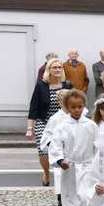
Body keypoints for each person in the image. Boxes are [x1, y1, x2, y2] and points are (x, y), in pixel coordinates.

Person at [48, 89, 100, 206]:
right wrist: (60, 160)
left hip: (87, 166)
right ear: (67, 107)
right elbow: (56, 145)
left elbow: (98, 145)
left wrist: (98, 163)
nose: (77, 110)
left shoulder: (91, 125)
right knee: (70, 197)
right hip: (70, 167)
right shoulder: (62, 126)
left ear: (84, 106)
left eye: (80, 107)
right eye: (73, 107)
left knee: (87, 196)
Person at [27, 57, 72, 188]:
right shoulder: (41, 85)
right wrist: (30, 128)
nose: (57, 69)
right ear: (49, 70)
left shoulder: (67, 85)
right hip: (43, 121)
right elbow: (33, 107)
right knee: (43, 150)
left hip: (61, 123)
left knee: (62, 151)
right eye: (54, 67)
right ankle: (46, 172)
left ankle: (62, 177)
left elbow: (73, 103)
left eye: (59, 67)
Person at [39, 88, 75, 206]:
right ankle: (61, 198)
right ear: (59, 102)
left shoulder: (77, 115)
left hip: (75, 152)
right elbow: (47, 136)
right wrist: (54, 145)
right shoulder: (55, 118)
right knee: (61, 175)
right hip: (61, 152)